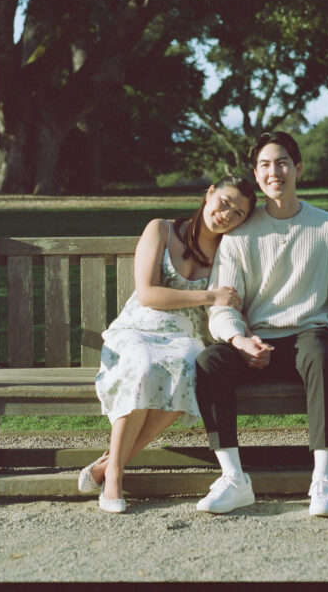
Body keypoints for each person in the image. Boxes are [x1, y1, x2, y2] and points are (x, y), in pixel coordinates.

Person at [194, 131, 328, 518]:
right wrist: (239, 340)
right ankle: (234, 479)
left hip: (309, 338)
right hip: (256, 343)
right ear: (257, 176)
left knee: (321, 351)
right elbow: (221, 305)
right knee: (209, 362)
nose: (276, 172)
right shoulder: (237, 235)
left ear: (298, 168)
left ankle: (322, 481)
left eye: (283, 162)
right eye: (266, 165)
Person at [79, 175, 258, 513]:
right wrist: (209, 294)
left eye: (237, 214)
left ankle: (107, 466)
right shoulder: (160, 230)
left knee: (191, 367)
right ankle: (115, 477)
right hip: (138, 329)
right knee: (144, 365)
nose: (225, 215)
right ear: (209, 194)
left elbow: (233, 300)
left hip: (185, 337)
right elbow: (148, 294)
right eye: (224, 203)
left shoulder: (228, 250)